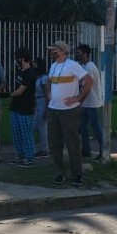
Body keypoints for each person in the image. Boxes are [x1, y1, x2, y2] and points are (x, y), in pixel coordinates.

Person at [46, 40, 92, 187]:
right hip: (53, 109)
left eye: (54, 49)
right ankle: (60, 172)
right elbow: (48, 81)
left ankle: (77, 174)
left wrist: (78, 98)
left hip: (69, 111)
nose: (52, 51)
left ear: (62, 51)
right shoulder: (53, 66)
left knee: (72, 143)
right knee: (54, 143)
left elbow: (89, 81)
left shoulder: (73, 65)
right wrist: (48, 93)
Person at [9, 47, 36, 166]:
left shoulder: (30, 73)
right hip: (15, 107)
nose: (16, 60)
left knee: (26, 133)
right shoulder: (20, 71)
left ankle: (29, 157)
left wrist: (10, 94)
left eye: (18, 58)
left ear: (23, 58)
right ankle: (20, 155)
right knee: (16, 134)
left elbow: (20, 91)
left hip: (25, 108)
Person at [76, 44, 104, 160]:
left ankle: (104, 149)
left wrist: (80, 101)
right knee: (82, 126)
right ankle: (86, 150)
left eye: (80, 53)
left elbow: (87, 86)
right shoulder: (84, 66)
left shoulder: (90, 68)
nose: (78, 55)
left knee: (95, 127)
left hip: (91, 102)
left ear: (86, 54)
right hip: (86, 102)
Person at [32, 57, 49, 158]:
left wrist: (46, 109)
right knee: (35, 126)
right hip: (38, 102)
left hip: (43, 101)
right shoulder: (38, 78)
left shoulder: (44, 78)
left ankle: (44, 149)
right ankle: (46, 145)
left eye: (35, 64)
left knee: (42, 126)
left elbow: (47, 94)